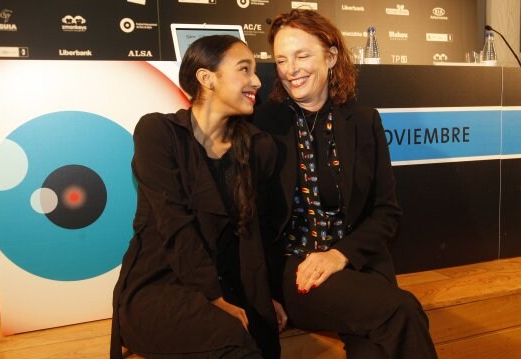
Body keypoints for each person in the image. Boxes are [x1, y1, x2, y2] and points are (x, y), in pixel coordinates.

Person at [253, 9, 438, 358]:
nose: (291, 69)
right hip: (298, 272)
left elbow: (386, 211)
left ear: (331, 55)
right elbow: (253, 223)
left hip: (360, 264)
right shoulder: (262, 123)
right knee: (402, 310)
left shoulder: (363, 121)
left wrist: (340, 255)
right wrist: (263, 295)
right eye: (281, 59)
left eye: (302, 55)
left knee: (375, 350)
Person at [110, 35, 285, 359]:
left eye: (255, 70)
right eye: (244, 69)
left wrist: (268, 296)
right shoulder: (157, 133)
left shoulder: (260, 148)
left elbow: (262, 233)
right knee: (233, 342)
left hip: (231, 284)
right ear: (207, 79)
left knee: (256, 340)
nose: (257, 81)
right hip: (160, 284)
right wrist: (214, 298)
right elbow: (175, 225)